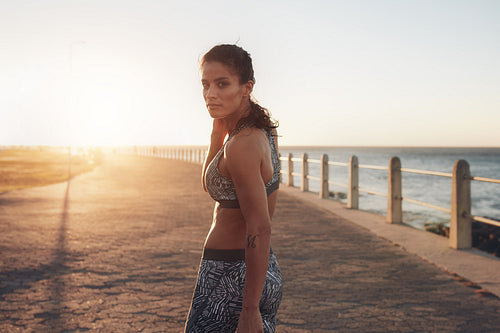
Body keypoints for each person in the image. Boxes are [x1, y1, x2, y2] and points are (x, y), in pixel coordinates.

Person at [184, 44, 282, 333]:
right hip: (250, 271)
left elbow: (260, 227)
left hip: (232, 279)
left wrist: (249, 310)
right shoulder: (260, 130)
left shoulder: (242, 145)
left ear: (246, 87)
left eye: (222, 84)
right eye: (205, 84)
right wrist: (217, 132)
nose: (210, 93)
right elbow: (208, 183)